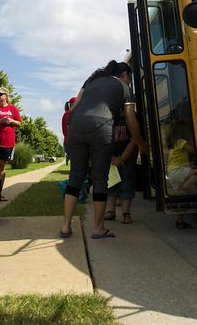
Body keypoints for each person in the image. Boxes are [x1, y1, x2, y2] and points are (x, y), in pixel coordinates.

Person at [60, 60, 148, 240]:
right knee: (100, 177)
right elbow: (131, 120)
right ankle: (98, 228)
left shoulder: (90, 81)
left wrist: (72, 126)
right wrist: (141, 143)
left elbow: (75, 107)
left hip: (75, 126)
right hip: (101, 127)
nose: (129, 82)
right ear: (124, 75)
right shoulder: (123, 87)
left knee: (75, 176)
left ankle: (66, 227)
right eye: (129, 78)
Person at [104, 110, 139, 224]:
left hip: (128, 155)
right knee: (111, 182)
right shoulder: (107, 117)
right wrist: (111, 158)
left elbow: (134, 140)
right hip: (111, 155)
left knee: (127, 181)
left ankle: (126, 213)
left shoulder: (131, 116)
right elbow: (103, 140)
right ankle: (110, 211)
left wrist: (122, 159)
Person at [61, 96, 76, 165]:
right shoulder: (69, 113)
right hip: (70, 142)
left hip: (69, 142)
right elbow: (70, 128)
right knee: (76, 165)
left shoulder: (69, 113)